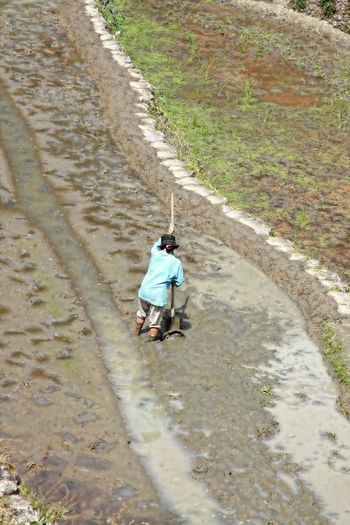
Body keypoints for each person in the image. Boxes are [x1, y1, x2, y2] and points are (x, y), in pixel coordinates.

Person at [135, 225, 184, 341]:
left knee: (141, 314)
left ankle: (136, 334)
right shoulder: (175, 262)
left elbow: (157, 244)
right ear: (173, 248)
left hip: (144, 290)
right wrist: (172, 280)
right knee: (155, 323)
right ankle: (151, 345)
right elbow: (179, 282)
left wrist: (169, 232)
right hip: (157, 296)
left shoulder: (155, 253)